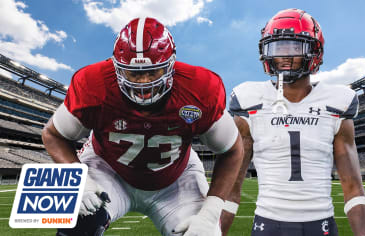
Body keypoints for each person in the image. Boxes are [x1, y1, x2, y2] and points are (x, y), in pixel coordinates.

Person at [42, 17, 243, 236]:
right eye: (134, 73)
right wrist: (79, 179)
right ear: (117, 67)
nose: (143, 83)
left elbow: (232, 150)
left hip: (176, 177)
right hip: (109, 169)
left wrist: (210, 213)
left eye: (152, 72)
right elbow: (53, 134)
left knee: (203, 233)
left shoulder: (200, 88)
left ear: (170, 65)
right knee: (78, 220)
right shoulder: (93, 84)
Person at [221, 8, 365, 236]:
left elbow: (353, 187)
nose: (284, 57)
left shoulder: (337, 102)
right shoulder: (249, 100)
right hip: (267, 225)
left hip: (320, 225)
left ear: (314, 51)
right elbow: (232, 186)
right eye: (277, 48)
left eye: (294, 47)